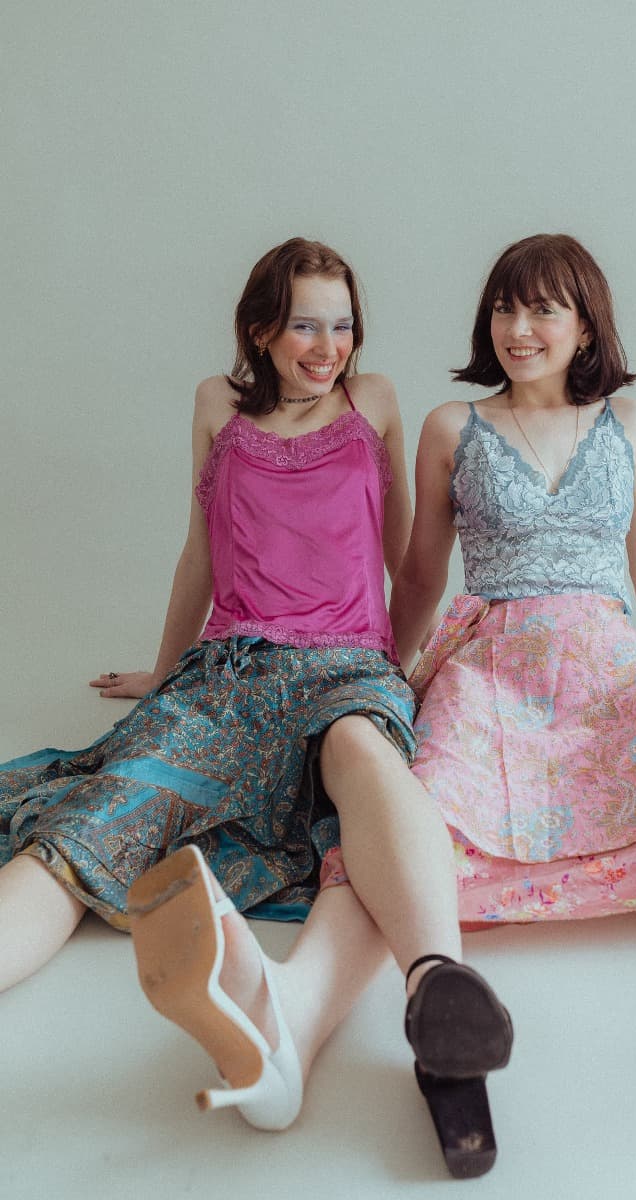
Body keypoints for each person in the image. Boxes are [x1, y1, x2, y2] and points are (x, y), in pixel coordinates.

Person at [0, 238, 512, 1180]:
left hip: (348, 665)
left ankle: (440, 980)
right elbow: (199, 550)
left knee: (363, 754)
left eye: (344, 324)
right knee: (91, 821)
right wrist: (165, 672)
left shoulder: (378, 403)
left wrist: (392, 673)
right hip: (228, 670)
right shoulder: (215, 408)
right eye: (306, 325)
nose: (328, 346)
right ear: (261, 329)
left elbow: (405, 564)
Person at [390, 233, 636, 952]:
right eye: (502, 309)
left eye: (542, 310)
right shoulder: (452, 426)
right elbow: (423, 569)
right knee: (422, 815)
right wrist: (390, 671)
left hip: (607, 657)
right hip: (490, 664)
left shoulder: (630, 424)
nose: (517, 330)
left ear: (585, 326)